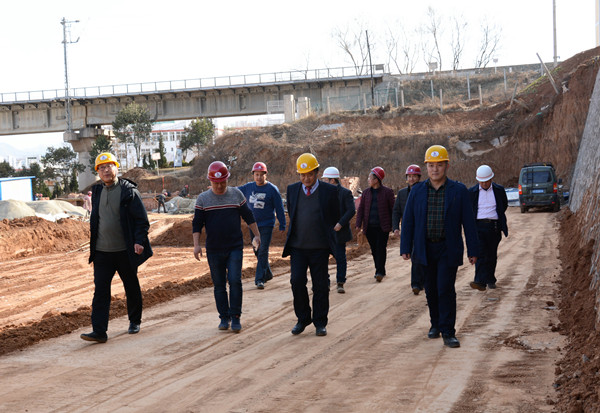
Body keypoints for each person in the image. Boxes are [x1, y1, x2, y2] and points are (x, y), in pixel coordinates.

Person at [400, 145, 478, 348]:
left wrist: (473, 250)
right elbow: (408, 221)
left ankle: (448, 331)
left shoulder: (458, 191)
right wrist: (405, 246)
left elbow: (469, 222)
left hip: (447, 247)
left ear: (447, 166)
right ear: (426, 167)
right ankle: (435, 324)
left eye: (439, 165)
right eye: (431, 165)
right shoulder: (417, 191)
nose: (435, 169)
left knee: (445, 289)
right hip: (425, 248)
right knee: (431, 290)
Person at [80, 153, 153, 344]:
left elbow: (142, 220)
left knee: (131, 286)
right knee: (100, 291)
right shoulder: (96, 191)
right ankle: (99, 331)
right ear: (98, 172)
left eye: (109, 166)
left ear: (116, 168)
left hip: (124, 251)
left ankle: (135, 321)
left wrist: (139, 241)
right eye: (101, 168)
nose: (106, 170)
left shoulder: (128, 191)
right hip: (102, 252)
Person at [193, 161, 260, 333]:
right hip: (214, 249)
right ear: (210, 181)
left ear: (227, 180)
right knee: (219, 284)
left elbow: (248, 216)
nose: (219, 186)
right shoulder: (203, 199)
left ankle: (235, 316)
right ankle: (224, 317)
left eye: (222, 182)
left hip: (234, 247)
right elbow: (197, 224)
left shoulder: (236, 195)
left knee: (235, 281)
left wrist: (257, 235)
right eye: (216, 183)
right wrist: (196, 245)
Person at [283, 153, 340, 336]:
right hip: (298, 247)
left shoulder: (329, 191)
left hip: (320, 248)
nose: (306, 178)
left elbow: (334, 215)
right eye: (302, 175)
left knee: (320, 285)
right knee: (296, 281)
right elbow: (293, 214)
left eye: (309, 174)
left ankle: (320, 322)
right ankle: (303, 318)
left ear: (316, 172)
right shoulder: (292, 190)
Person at [238, 162, 286, 289]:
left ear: (266, 175)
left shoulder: (272, 189)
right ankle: (268, 273)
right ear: (253, 175)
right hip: (253, 225)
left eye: (261, 175)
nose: (259, 177)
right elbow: (235, 191)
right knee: (257, 251)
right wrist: (219, 189)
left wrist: (282, 223)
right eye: (256, 174)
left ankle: (260, 279)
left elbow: (279, 208)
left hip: (266, 225)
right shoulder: (248, 187)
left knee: (263, 250)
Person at [468, 165, 508, 291]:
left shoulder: (499, 190)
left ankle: (490, 280)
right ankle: (479, 281)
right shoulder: (472, 192)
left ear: (491, 179)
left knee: (491, 254)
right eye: (482, 181)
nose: (484, 184)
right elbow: (469, 208)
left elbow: (504, 205)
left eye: (486, 181)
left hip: (494, 227)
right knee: (480, 253)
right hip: (478, 227)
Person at [356, 166, 395, 282]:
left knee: (381, 248)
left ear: (376, 180)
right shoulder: (366, 193)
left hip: (383, 227)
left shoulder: (387, 192)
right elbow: (361, 209)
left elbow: (393, 209)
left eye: (370, 178)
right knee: (374, 250)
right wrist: (358, 223)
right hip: (369, 227)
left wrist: (394, 225)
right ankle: (379, 269)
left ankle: (380, 271)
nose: (368, 180)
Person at [322, 166, 356, 294]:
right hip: (325, 232)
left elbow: (351, 210)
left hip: (339, 231)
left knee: (340, 258)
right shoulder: (322, 193)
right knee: (322, 259)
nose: (323, 182)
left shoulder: (345, 193)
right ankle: (324, 282)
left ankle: (340, 282)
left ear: (332, 180)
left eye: (325, 180)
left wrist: (341, 223)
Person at [392, 164, 425, 295]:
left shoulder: (425, 191)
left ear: (419, 177)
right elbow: (396, 212)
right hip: (408, 229)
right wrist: (395, 227)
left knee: (420, 256)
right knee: (413, 256)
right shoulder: (401, 194)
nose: (411, 179)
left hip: (422, 229)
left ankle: (420, 282)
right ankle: (417, 283)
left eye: (414, 176)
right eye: (409, 176)